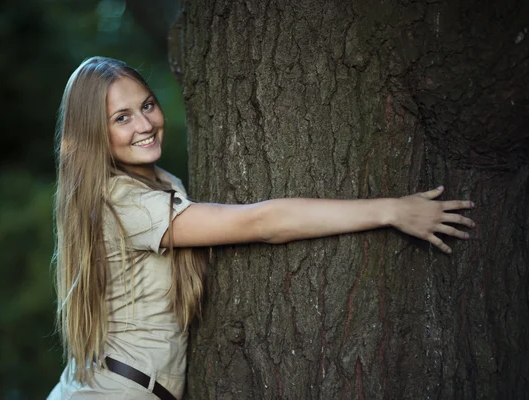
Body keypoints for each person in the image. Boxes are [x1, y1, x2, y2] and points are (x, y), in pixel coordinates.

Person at [47, 56, 475, 400]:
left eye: (146, 105)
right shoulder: (124, 201)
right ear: (92, 133)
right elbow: (262, 222)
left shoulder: (151, 182)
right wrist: (392, 211)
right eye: (121, 118)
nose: (144, 124)